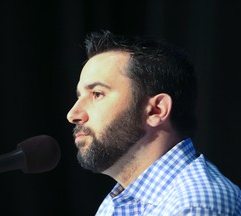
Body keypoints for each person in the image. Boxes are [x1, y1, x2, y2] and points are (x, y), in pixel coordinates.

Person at [66, 30, 241, 215]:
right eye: (79, 97)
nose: (72, 114)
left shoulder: (195, 205)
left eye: (97, 94)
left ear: (156, 110)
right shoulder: (115, 203)